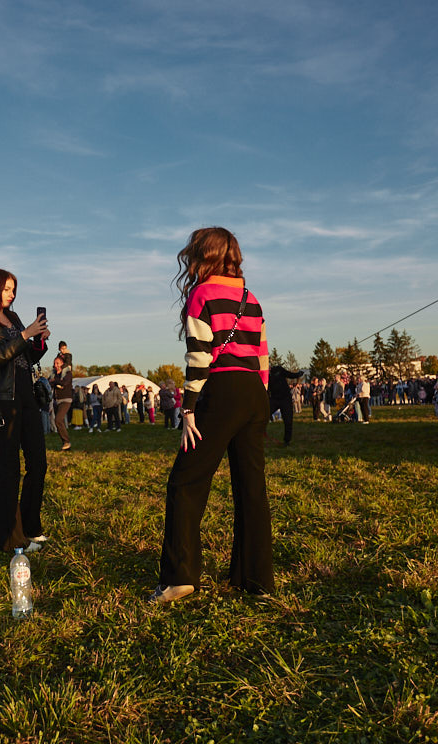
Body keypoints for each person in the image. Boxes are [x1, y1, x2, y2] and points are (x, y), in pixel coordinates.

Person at [151, 227, 271, 604]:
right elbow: (263, 356)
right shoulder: (251, 297)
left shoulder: (203, 293)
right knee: (251, 486)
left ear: (204, 256)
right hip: (254, 392)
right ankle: (256, 579)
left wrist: (188, 408)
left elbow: (199, 357)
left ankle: (180, 576)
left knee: (186, 482)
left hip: (221, 389)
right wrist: (258, 398)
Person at [0, 268, 50, 553]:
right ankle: (10, 538)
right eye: (6, 289)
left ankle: (30, 527)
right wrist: (25, 334)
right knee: (10, 468)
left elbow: (25, 356)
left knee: (38, 462)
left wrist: (38, 340)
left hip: (27, 394)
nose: (11, 294)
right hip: (4, 398)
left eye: (13, 289)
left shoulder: (13, 319)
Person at [268, 364, 303, 446]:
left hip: (285, 398)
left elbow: (289, 374)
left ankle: (287, 440)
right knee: (263, 414)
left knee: (288, 420)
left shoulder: (278, 369)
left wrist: (298, 374)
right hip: (274, 398)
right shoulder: (264, 375)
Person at [50, 355, 72, 451]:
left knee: (58, 420)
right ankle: (65, 443)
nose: (55, 365)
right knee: (59, 422)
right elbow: (49, 383)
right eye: (54, 363)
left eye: (57, 363)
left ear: (62, 363)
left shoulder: (68, 373)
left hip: (66, 399)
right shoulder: (53, 374)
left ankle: (66, 441)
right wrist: (55, 381)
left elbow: (65, 383)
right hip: (57, 400)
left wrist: (55, 381)